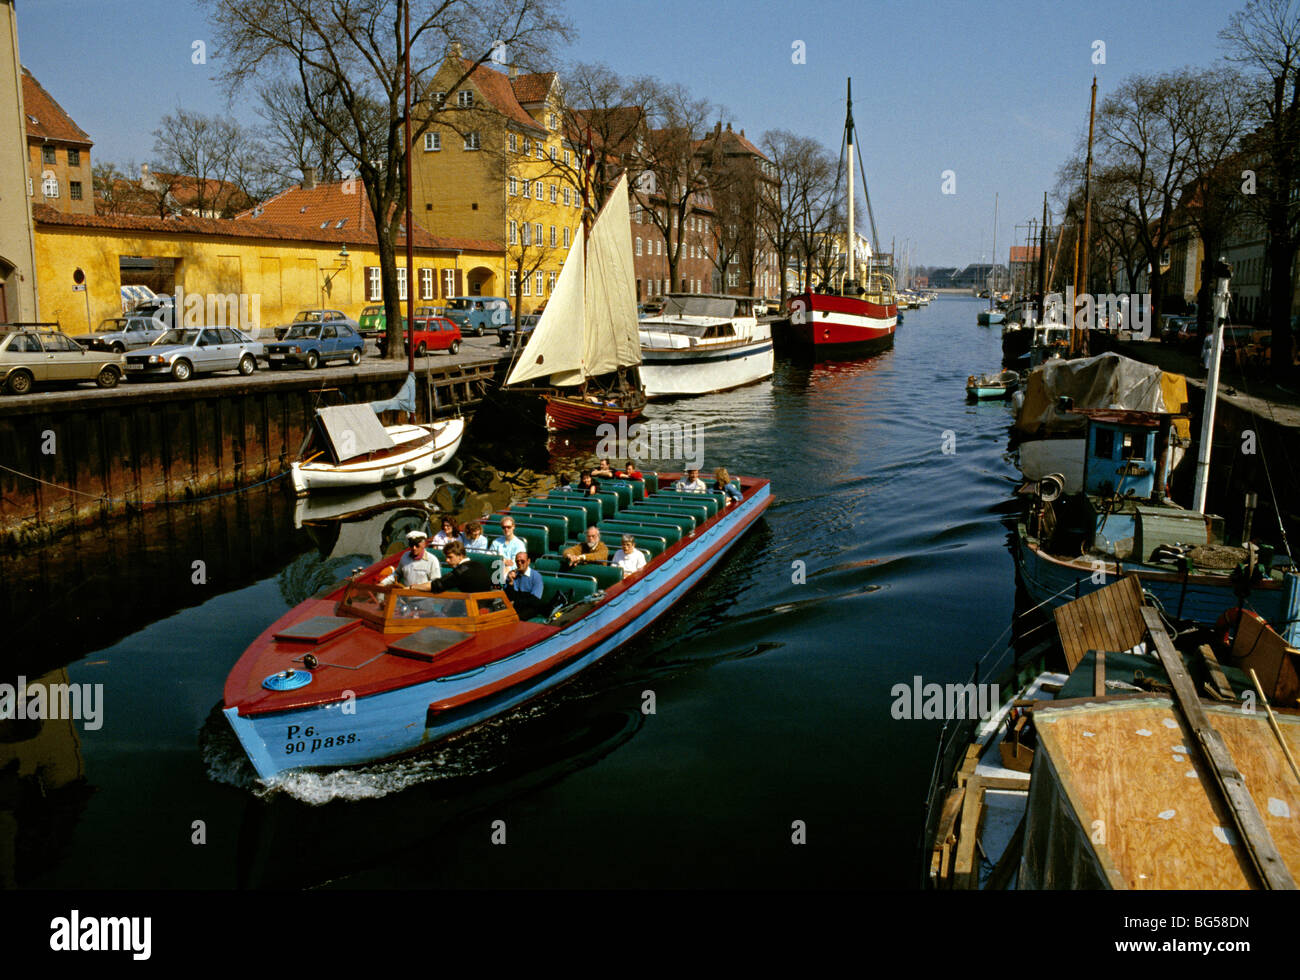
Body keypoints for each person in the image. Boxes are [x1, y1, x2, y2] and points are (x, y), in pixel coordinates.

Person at [504, 550, 545, 618]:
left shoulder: (536, 576)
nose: (519, 563)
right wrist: (510, 583)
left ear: (528, 561)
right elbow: (508, 597)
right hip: (515, 606)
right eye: (517, 561)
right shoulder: (513, 574)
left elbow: (535, 599)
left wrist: (516, 603)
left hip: (528, 607)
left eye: (522, 561)